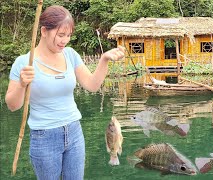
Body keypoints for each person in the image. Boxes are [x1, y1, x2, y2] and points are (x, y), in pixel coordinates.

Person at [5, 5, 125, 180]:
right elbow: (13, 105)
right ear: (44, 31)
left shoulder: (70, 55)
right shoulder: (24, 62)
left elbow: (92, 85)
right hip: (44, 136)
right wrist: (22, 84)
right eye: (61, 35)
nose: (65, 40)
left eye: (68, 36)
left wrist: (104, 59)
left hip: (74, 131)